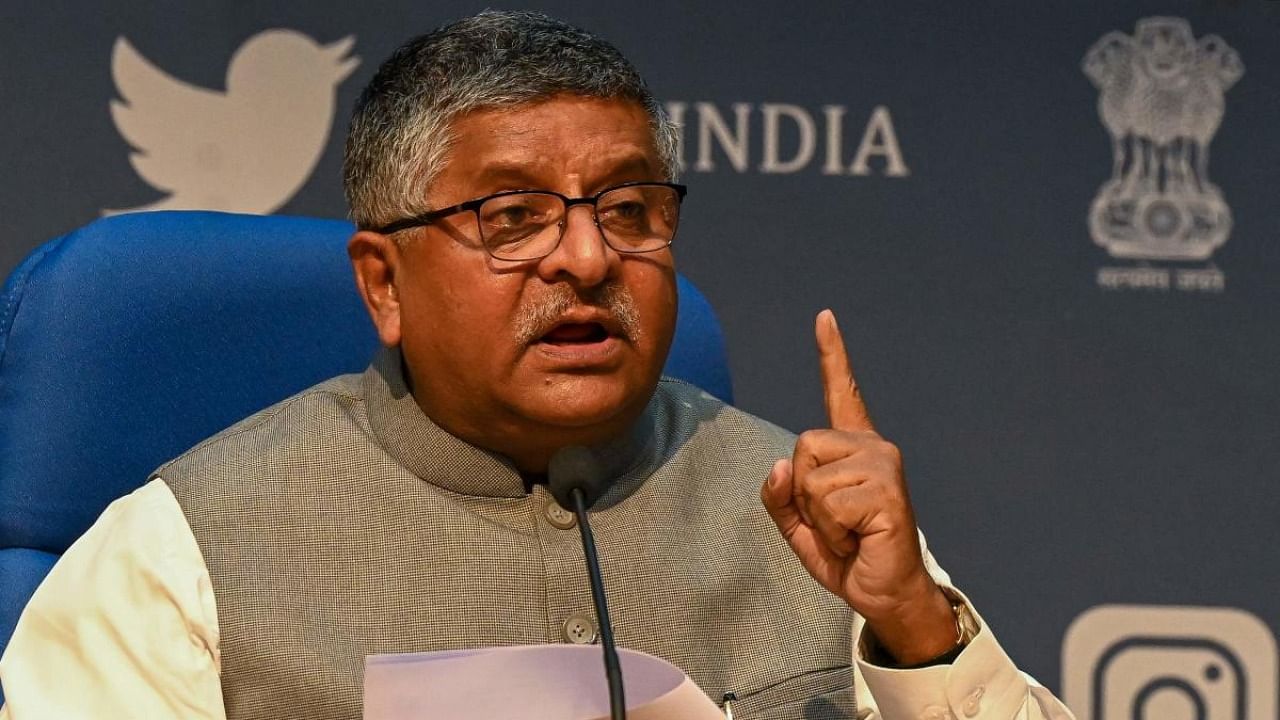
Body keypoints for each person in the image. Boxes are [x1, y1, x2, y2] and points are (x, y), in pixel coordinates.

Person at [0, 10, 1074, 720]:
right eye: (511, 217)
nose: (588, 255)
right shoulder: (175, 556)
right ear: (382, 283)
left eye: (628, 210)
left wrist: (914, 629)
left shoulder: (809, 511)